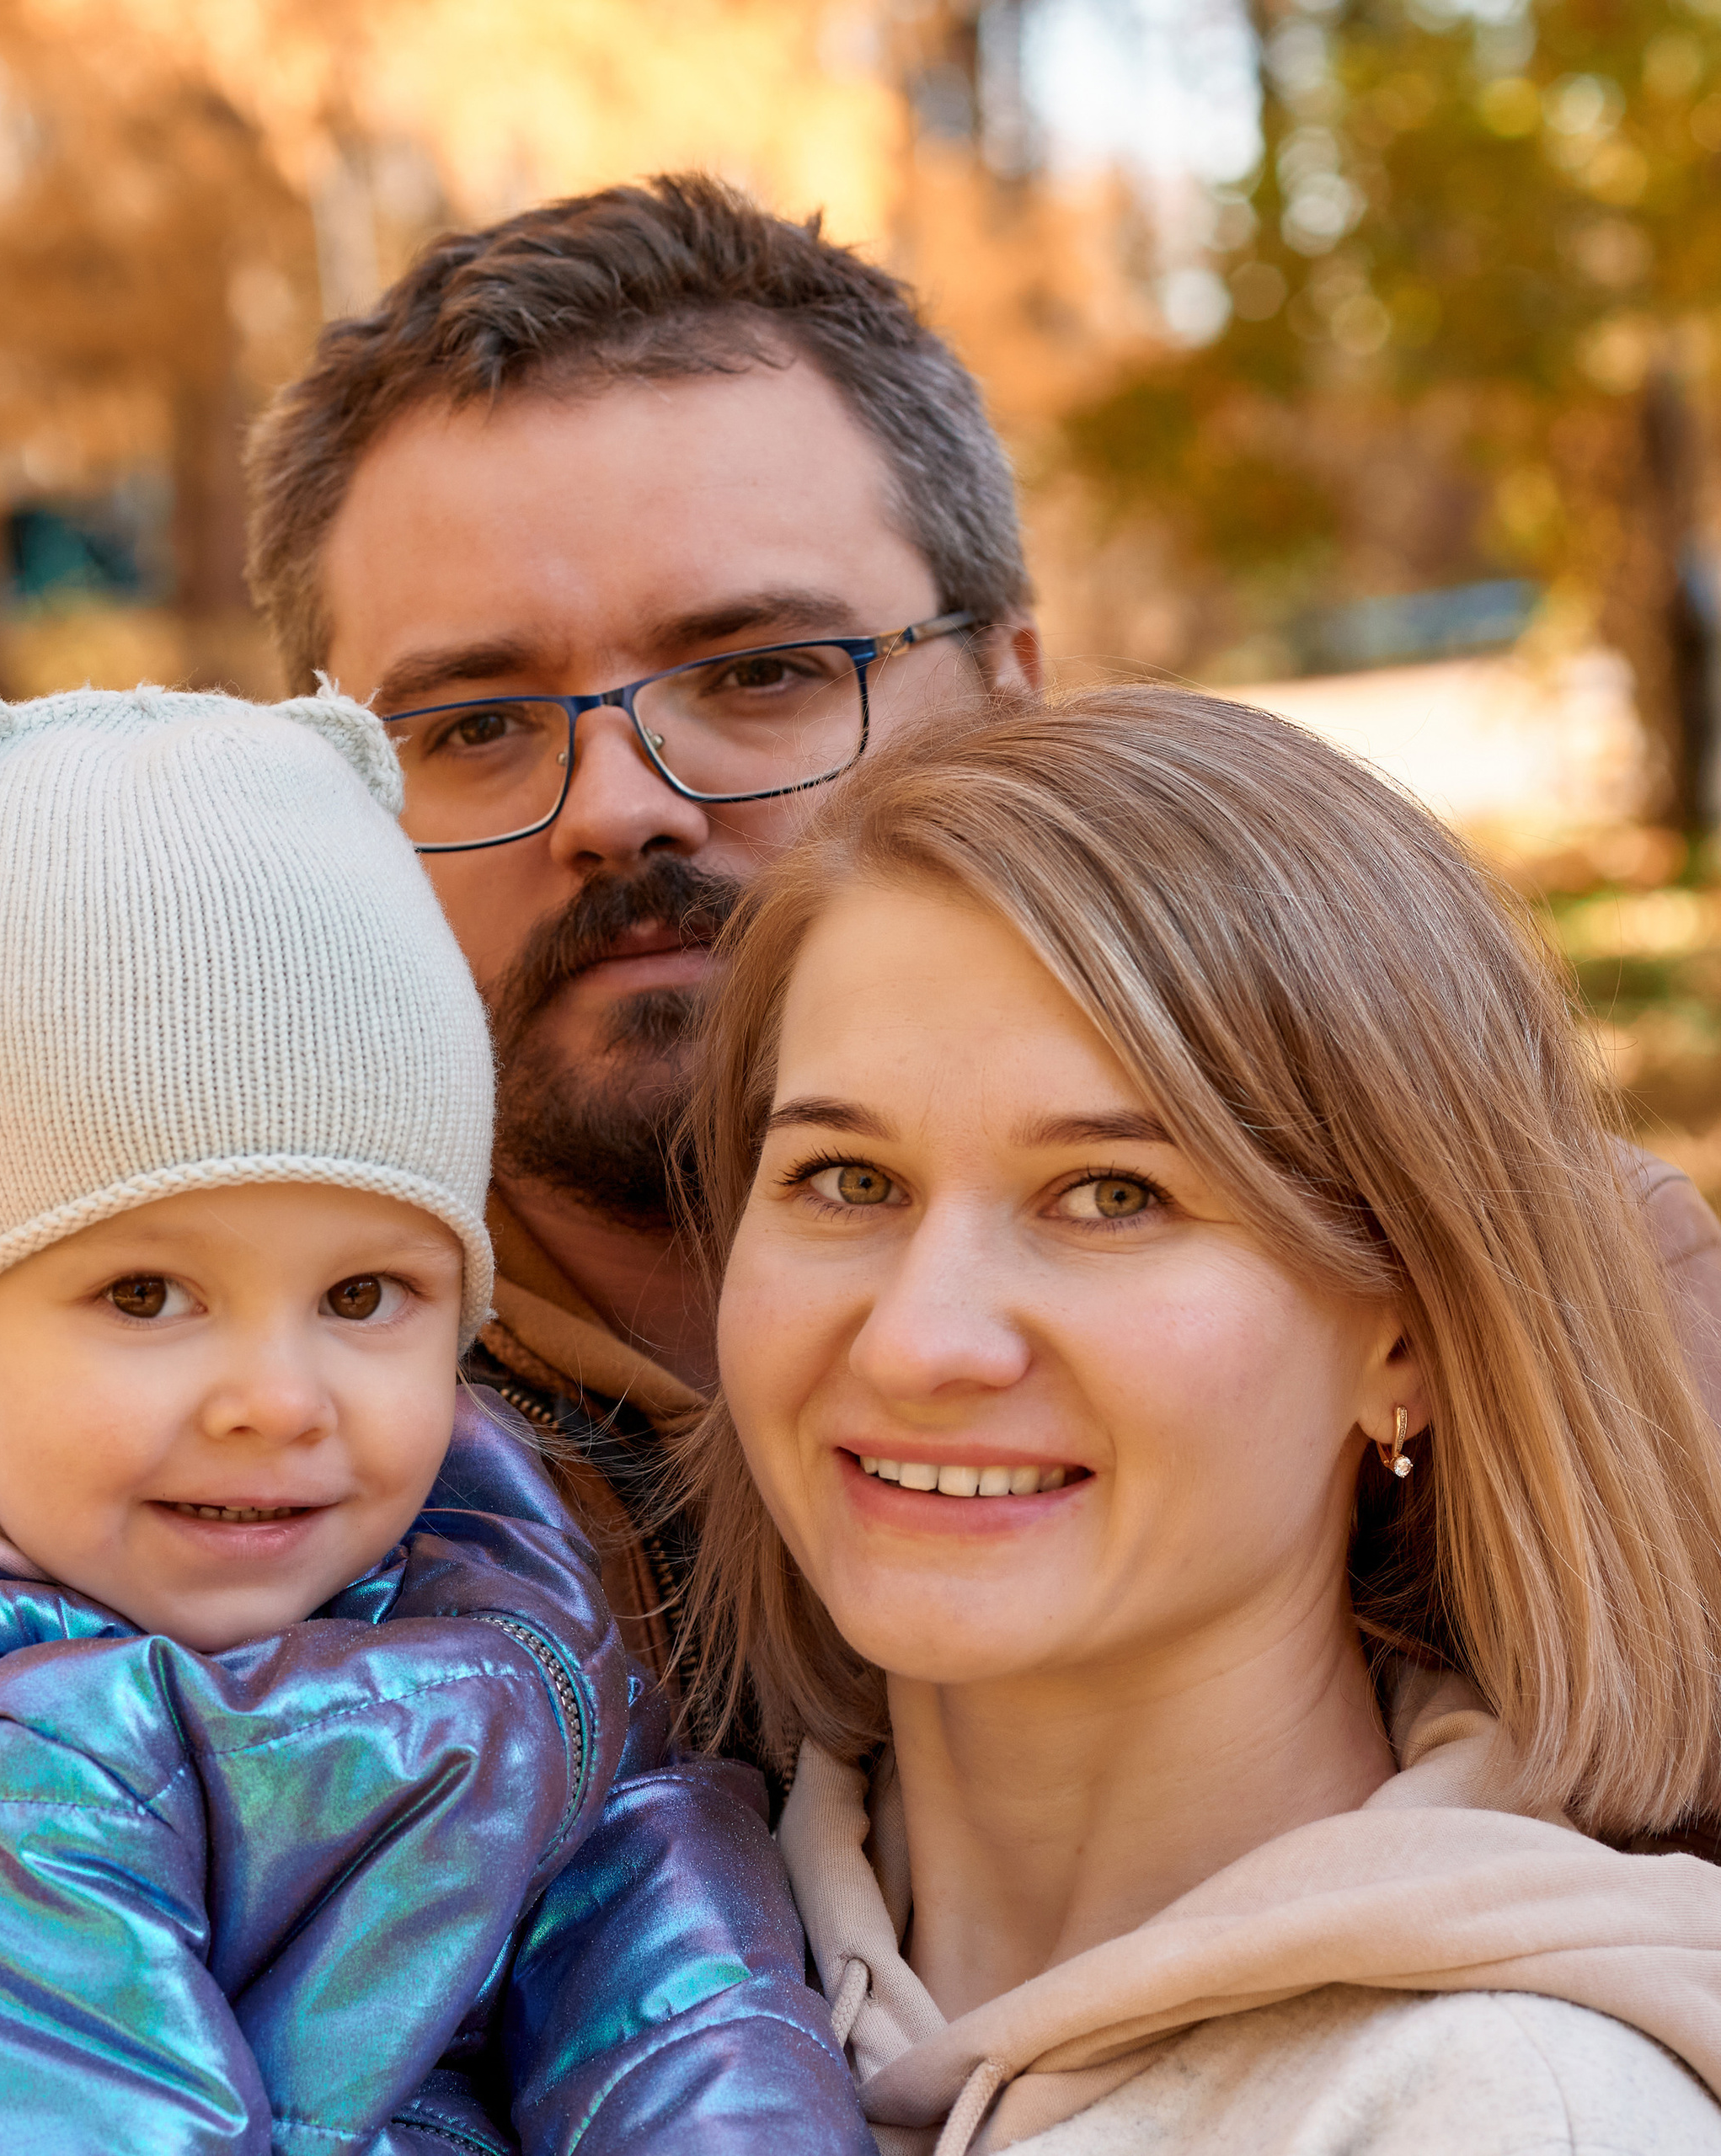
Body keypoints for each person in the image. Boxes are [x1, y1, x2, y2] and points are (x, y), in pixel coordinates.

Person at [242, 173, 1721, 1694]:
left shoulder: (1541, 1312)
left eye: (762, 673)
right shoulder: (179, 1441)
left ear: (1011, 684)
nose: (619, 810)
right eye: (476, 723)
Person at [0, 673, 869, 2153]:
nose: (274, 1401)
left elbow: (664, 1964)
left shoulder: (484, 1584)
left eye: (366, 1295)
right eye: (143, 1298)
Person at [673, 686, 1721, 2153]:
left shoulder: (1500, 2112)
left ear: (1407, 1340)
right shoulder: (609, 1948)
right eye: (848, 1181)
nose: (920, 1340)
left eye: (1115, 1197)